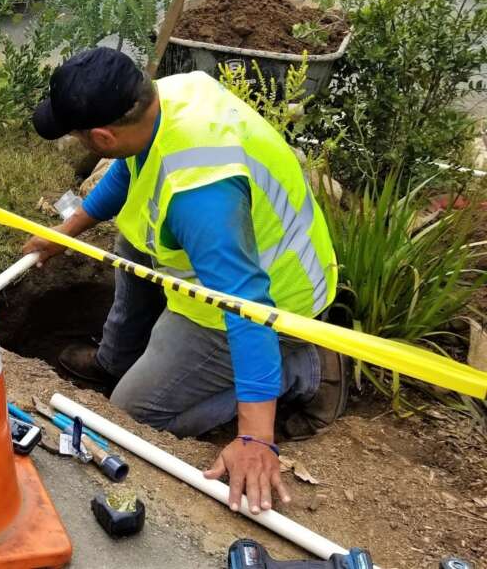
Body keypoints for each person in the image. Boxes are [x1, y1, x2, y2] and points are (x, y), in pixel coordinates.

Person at [23, 47, 347, 515]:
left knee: (129, 414)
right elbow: (129, 172)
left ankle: (302, 367)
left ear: (101, 135)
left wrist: (256, 437)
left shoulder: (199, 196)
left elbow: (247, 306)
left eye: (78, 138)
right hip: (220, 264)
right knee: (134, 239)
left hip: (269, 302)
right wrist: (64, 233)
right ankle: (117, 357)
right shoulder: (166, 97)